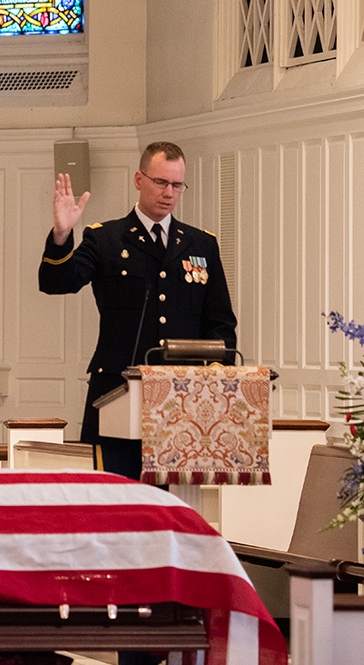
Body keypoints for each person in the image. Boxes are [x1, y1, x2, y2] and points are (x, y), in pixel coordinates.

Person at [38, 141, 237, 482]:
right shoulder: (107, 239)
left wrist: (215, 380)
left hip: (183, 400)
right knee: (112, 498)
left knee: (172, 506)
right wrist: (62, 233)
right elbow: (59, 282)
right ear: (138, 180)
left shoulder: (201, 244)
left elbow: (220, 322)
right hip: (117, 390)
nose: (169, 192)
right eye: (161, 182)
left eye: (177, 185)